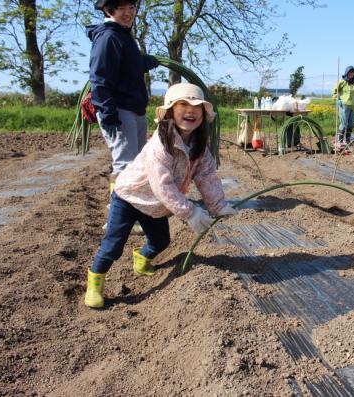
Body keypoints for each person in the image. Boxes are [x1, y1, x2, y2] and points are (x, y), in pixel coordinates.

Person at [84, 83, 238, 309]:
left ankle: (142, 257)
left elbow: (207, 176)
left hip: (156, 205)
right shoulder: (160, 145)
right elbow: (162, 185)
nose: (191, 110)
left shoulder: (199, 147)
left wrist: (218, 205)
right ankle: (95, 283)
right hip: (129, 198)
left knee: (161, 241)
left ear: (204, 115)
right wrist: (189, 211)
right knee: (113, 246)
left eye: (197, 107)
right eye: (183, 104)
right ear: (169, 112)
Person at [87, 0, 159, 205]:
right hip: (119, 110)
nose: (128, 13)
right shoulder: (108, 37)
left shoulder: (123, 35)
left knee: (137, 164)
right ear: (109, 10)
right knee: (125, 166)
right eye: (122, 8)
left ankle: (133, 210)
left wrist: (143, 62)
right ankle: (118, 215)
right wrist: (108, 114)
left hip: (134, 108)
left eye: (131, 7)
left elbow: (124, 70)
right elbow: (99, 78)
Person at [332, 66, 354, 152]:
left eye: (352, 73)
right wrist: (337, 100)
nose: (351, 74)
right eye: (349, 72)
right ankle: (340, 141)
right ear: (346, 73)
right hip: (344, 105)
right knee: (344, 123)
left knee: (351, 124)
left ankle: (347, 141)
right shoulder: (342, 82)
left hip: (353, 106)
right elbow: (334, 91)